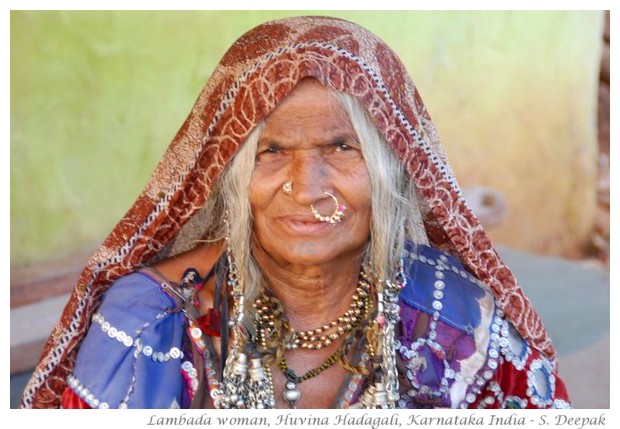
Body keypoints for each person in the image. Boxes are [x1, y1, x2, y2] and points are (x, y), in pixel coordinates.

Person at [20, 16, 571, 409]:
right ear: (231, 179)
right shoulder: (149, 323)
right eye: (272, 151)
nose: (307, 190)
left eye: (342, 148)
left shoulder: (457, 315)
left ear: (389, 173)